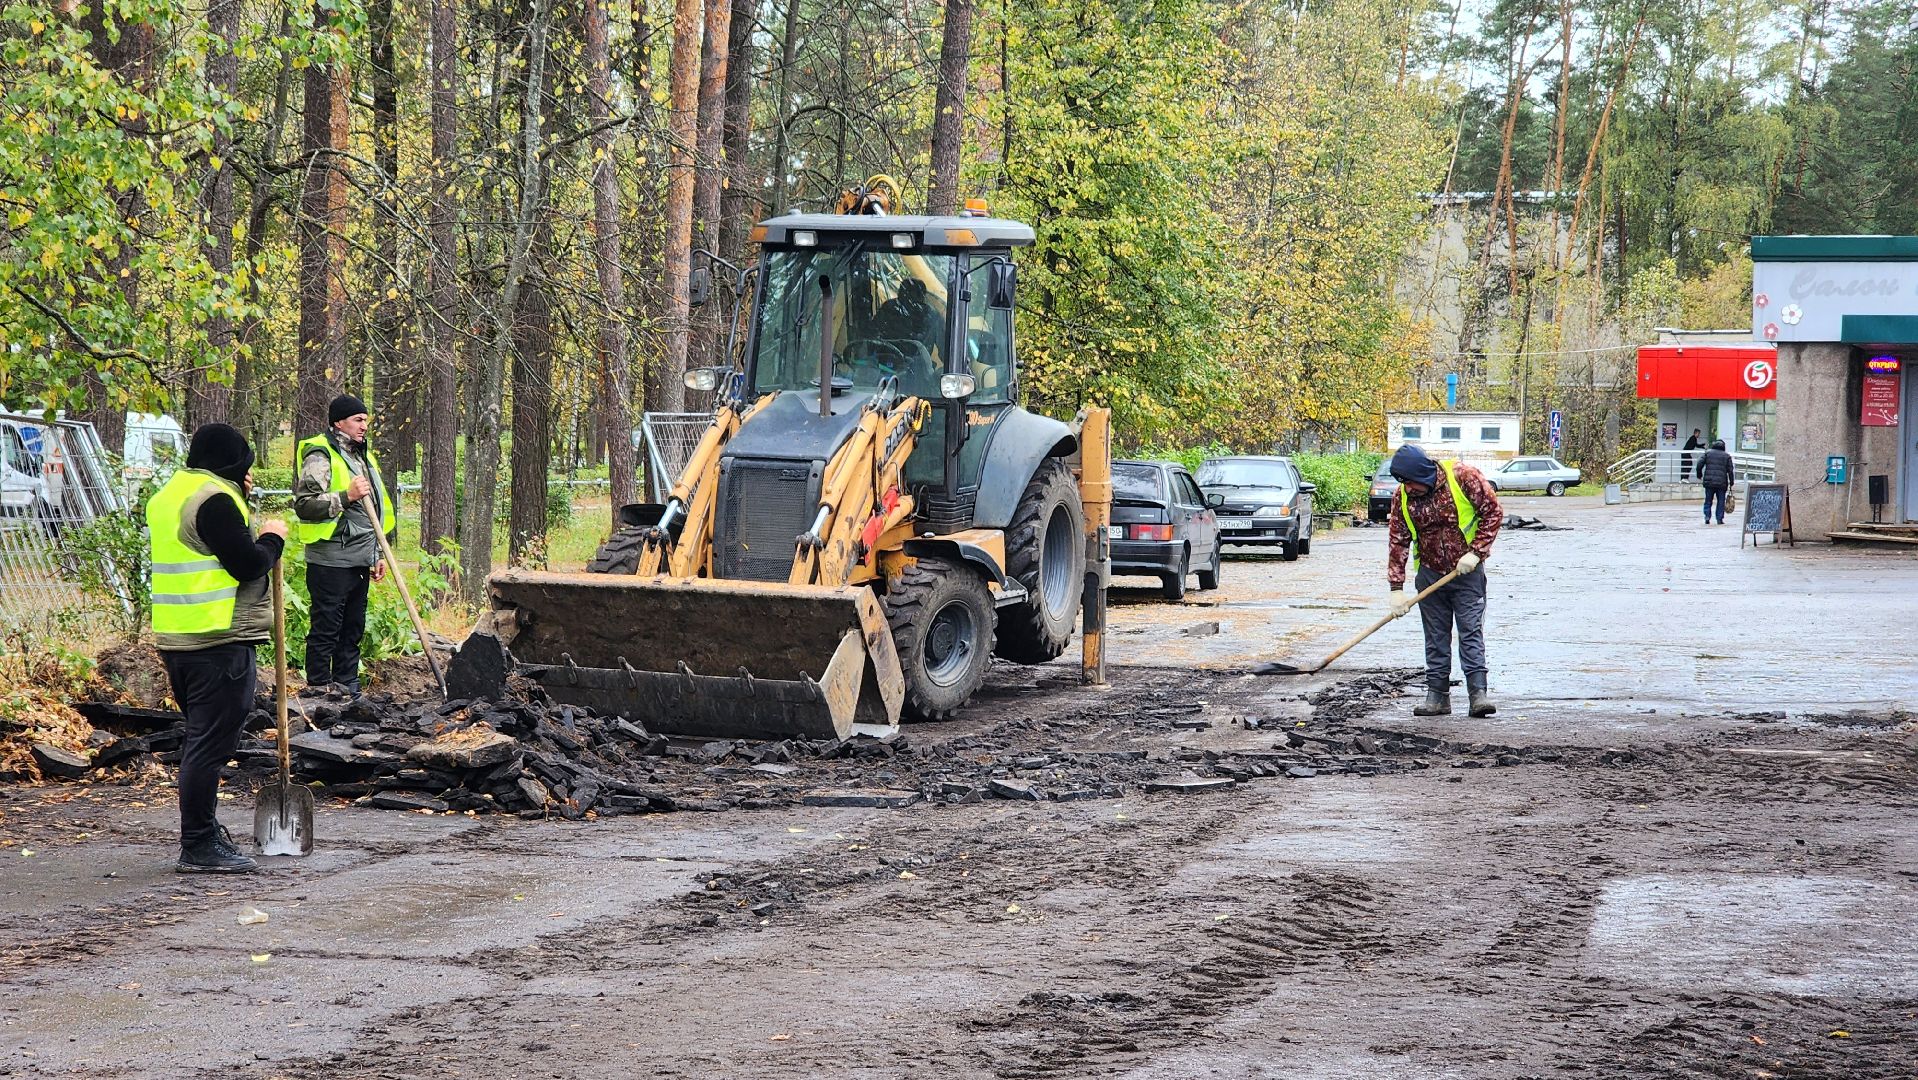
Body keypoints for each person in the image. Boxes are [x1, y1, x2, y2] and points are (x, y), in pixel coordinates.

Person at [148, 423, 287, 873]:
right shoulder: (216, 500)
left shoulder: (172, 493)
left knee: (200, 740)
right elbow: (247, 564)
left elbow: (204, 545)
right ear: (233, 464)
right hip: (218, 641)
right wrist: (273, 538)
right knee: (208, 747)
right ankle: (200, 844)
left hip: (178, 638)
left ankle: (202, 835)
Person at [1386, 444, 1505, 718]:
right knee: (1436, 637)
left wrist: (1476, 553)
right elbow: (1398, 540)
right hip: (1429, 574)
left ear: (1422, 472)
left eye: (1409, 481)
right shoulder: (1402, 497)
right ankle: (1437, 697)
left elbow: (1493, 513)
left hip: (1467, 573)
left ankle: (1478, 695)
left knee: (1470, 631)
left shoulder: (1463, 477)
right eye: (1402, 483)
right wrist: (1396, 589)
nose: (1407, 488)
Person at [294, 394, 396, 696]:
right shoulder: (321, 454)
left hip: (360, 559)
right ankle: (318, 689)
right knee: (327, 628)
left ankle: (347, 687)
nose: (364, 426)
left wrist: (377, 553)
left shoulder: (362, 456)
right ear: (339, 421)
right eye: (358, 420)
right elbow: (305, 505)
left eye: (366, 420)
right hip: (330, 560)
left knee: (352, 629)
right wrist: (345, 496)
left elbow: (373, 513)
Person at [1698, 438, 1735, 524]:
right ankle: (1719, 519)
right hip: (1721, 483)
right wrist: (1731, 482)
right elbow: (1730, 470)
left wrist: (1699, 474)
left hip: (1709, 482)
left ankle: (1707, 516)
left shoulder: (1708, 453)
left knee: (1708, 500)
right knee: (1721, 501)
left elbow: (1699, 463)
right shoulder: (1726, 456)